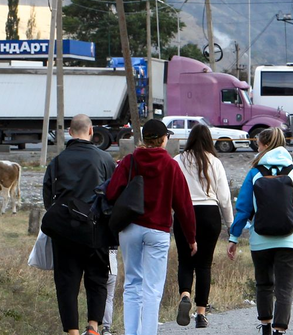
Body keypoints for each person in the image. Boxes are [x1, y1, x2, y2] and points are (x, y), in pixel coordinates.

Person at [105, 119, 196, 335]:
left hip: (130, 228)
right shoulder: (171, 165)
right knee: (153, 289)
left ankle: (131, 332)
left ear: (144, 139)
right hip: (158, 231)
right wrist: (191, 238)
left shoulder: (129, 161)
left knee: (132, 284)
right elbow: (183, 205)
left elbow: (110, 193)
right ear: (164, 139)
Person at [226, 127, 293, 335]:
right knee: (284, 289)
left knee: (264, 284)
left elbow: (243, 208)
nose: (257, 148)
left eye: (258, 144)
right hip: (290, 240)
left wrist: (233, 236)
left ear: (265, 146)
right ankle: (279, 331)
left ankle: (265, 327)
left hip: (261, 239)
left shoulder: (254, 173)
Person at [44, 114, 117, 335]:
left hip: (65, 231)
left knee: (67, 282)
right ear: (91, 131)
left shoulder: (57, 161)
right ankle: (93, 326)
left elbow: (48, 197)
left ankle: (72, 331)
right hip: (96, 230)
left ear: (70, 132)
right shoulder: (105, 159)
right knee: (97, 279)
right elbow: (113, 195)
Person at [172, 124, 234, 328]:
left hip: (184, 213)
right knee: (204, 264)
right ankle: (200, 314)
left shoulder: (177, 161)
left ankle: (185, 295)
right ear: (209, 140)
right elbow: (224, 197)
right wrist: (231, 226)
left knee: (185, 260)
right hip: (209, 213)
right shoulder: (214, 161)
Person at [102, 249, 118, 335]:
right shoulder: (114, 239)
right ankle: (106, 327)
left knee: (95, 297)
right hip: (113, 270)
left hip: (99, 269)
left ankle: (93, 325)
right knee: (108, 299)